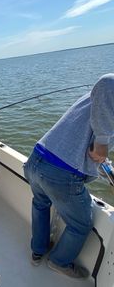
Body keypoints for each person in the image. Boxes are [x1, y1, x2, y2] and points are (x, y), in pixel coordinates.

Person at [23, 73, 114, 279]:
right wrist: (101, 142)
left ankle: (38, 251)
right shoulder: (108, 90)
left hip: (36, 159)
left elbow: (94, 155)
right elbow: (108, 81)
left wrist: (107, 169)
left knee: (40, 204)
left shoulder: (95, 102)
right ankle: (58, 261)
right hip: (60, 173)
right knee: (81, 223)